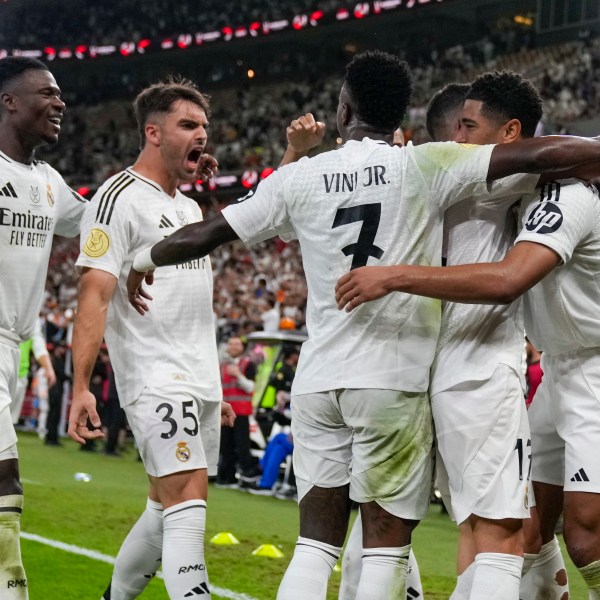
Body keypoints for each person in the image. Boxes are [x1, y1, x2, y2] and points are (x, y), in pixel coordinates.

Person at [126, 51, 600, 600]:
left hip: (319, 379)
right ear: (403, 118)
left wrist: (141, 263)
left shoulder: (303, 176)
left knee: (315, 546)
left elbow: (206, 234)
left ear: (343, 108)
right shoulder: (427, 164)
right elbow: (545, 153)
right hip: (396, 380)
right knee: (399, 546)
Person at [334, 156, 600, 599]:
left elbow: (508, 280)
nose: (457, 141)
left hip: (594, 365)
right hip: (557, 368)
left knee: (586, 533)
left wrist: (396, 276)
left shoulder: (567, 194)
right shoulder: (517, 188)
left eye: (468, 125)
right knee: (526, 529)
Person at [67, 77, 234, 600]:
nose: (201, 135)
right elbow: (93, 295)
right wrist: (81, 387)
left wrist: (214, 388)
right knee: (188, 500)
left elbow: (188, 304)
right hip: (155, 375)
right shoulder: (117, 198)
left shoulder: (188, 210)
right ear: (153, 133)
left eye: (204, 126)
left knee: (163, 509)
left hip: (198, 379)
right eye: (188, 125)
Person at [0, 56, 87, 598]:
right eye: (46, 93)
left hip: (13, 347)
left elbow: (108, 221)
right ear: (9, 101)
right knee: (4, 477)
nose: (59, 102)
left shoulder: (49, 184)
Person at [216, 335, 260, 487]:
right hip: (224, 412)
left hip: (241, 413)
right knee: (225, 445)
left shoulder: (249, 364)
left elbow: (251, 387)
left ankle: (247, 478)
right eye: (231, 344)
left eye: (237, 344)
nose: (233, 347)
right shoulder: (221, 365)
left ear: (242, 347)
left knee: (242, 446)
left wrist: (238, 375)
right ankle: (226, 478)